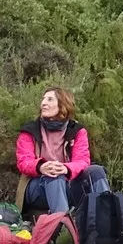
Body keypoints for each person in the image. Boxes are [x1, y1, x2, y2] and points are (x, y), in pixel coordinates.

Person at [15, 87, 108, 216]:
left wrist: (66, 169)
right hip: (37, 187)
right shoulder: (30, 131)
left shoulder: (77, 131)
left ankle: (106, 220)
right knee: (54, 175)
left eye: (50, 99)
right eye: (43, 99)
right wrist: (41, 167)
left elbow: (82, 161)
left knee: (96, 171)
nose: (43, 103)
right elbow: (23, 162)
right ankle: (62, 224)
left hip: (68, 184)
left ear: (63, 105)